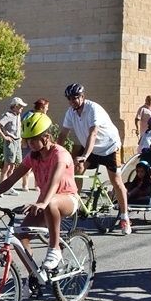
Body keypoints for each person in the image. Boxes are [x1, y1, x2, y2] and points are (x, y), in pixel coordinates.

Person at [0, 112, 77, 269]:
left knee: (51, 202)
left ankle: (54, 249)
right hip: (44, 203)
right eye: (27, 140)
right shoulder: (33, 157)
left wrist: (43, 203)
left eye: (33, 139)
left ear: (46, 137)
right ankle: (34, 276)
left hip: (67, 199)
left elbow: (54, 182)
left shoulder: (60, 154)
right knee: (20, 237)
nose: (29, 144)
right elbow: (11, 180)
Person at [56, 83, 132, 235]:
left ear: (82, 97)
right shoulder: (70, 113)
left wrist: (85, 156)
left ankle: (125, 217)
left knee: (116, 181)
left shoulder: (93, 109)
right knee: (77, 170)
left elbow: (93, 133)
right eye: (69, 98)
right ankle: (75, 203)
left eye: (75, 98)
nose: (72, 101)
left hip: (109, 147)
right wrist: (55, 154)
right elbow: (63, 134)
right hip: (92, 148)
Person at [0, 97, 27, 194]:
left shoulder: (18, 116)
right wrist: (4, 137)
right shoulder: (8, 115)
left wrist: (21, 139)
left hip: (17, 142)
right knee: (7, 166)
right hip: (10, 142)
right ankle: (0, 188)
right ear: (15, 106)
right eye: (20, 106)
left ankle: (8, 187)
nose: (22, 108)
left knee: (13, 166)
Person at [20, 98, 49, 191]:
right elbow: (23, 128)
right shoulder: (29, 114)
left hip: (40, 144)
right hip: (29, 142)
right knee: (27, 164)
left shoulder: (43, 116)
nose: (47, 109)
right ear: (41, 107)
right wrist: (23, 141)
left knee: (39, 164)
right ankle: (25, 184)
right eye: (46, 107)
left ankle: (37, 184)